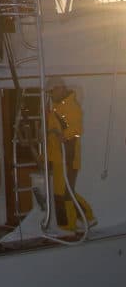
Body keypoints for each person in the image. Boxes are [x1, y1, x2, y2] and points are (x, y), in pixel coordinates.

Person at [47, 83, 95, 231]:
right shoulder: (55, 108)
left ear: (61, 88)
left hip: (68, 158)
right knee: (61, 193)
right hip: (57, 158)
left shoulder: (71, 106)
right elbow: (51, 138)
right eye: (50, 91)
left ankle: (69, 226)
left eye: (53, 90)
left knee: (64, 194)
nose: (51, 93)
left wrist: (64, 135)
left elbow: (77, 129)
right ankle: (86, 217)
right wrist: (45, 157)